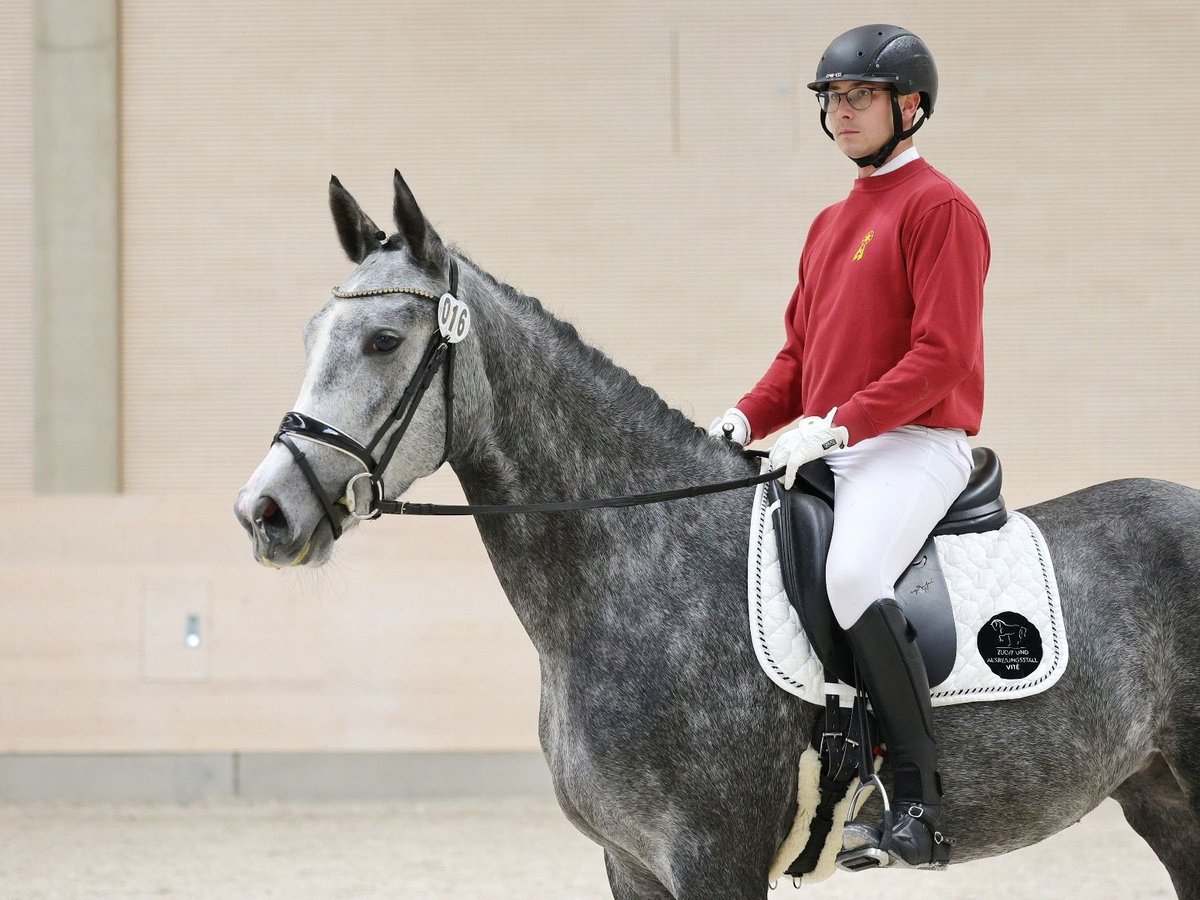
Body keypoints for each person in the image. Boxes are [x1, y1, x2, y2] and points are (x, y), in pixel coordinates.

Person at [709, 24, 989, 868]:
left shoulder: (939, 208)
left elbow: (943, 355)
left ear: (911, 106)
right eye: (832, 98)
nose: (842, 112)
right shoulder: (830, 222)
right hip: (836, 443)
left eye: (860, 97)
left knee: (854, 575)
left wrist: (839, 423)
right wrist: (743, 419)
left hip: (914, 441)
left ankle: (918, 796)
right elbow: (799, 360)